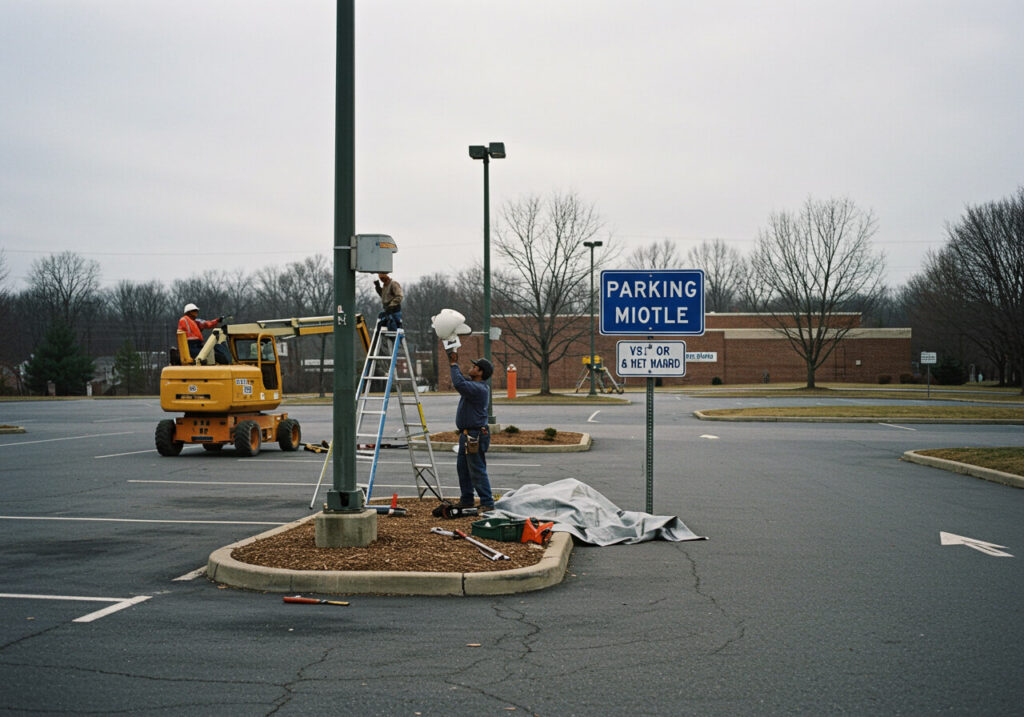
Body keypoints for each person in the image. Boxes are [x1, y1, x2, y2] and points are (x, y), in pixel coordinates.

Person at [448, 350, 495, 511]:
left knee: (476, 469)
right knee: (463, 469)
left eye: (475, 367)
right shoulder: (474, 386)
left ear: (480, 372)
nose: (472, 367)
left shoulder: (479, 389)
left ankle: (487, 502)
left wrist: (453, 364)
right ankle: (467, 499)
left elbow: (459, 384)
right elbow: (461, 381)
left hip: (475, 435)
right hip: (467, 434)